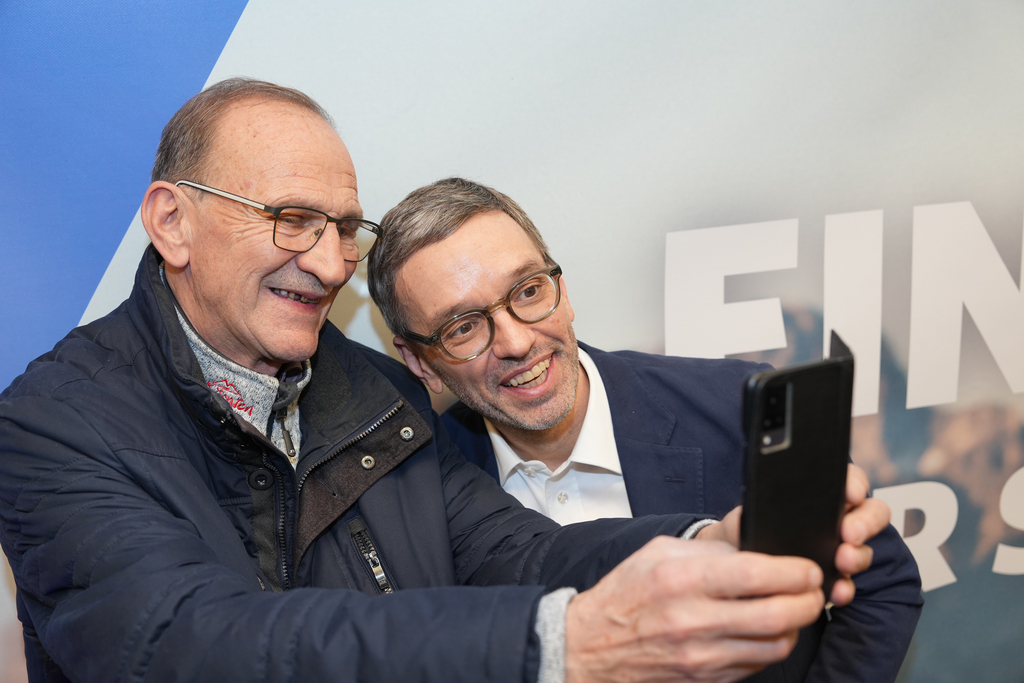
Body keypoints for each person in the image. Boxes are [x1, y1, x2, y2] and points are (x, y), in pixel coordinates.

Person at [0, 79, 882, 683]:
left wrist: (701, 545)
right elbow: (193, 644)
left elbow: (518, 551)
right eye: (294, 219)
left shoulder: (374, 391)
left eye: (344, 228)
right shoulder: (51, 424)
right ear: (172, 222)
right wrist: (564, 644)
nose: (330, 262)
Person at [368, 177, 924, 683]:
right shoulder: (419, 491)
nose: (516, 342)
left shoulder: (733, 405)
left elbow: (883, 586)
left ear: (564, 291)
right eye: (463, 327)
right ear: (419, 363)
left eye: (529, 291)